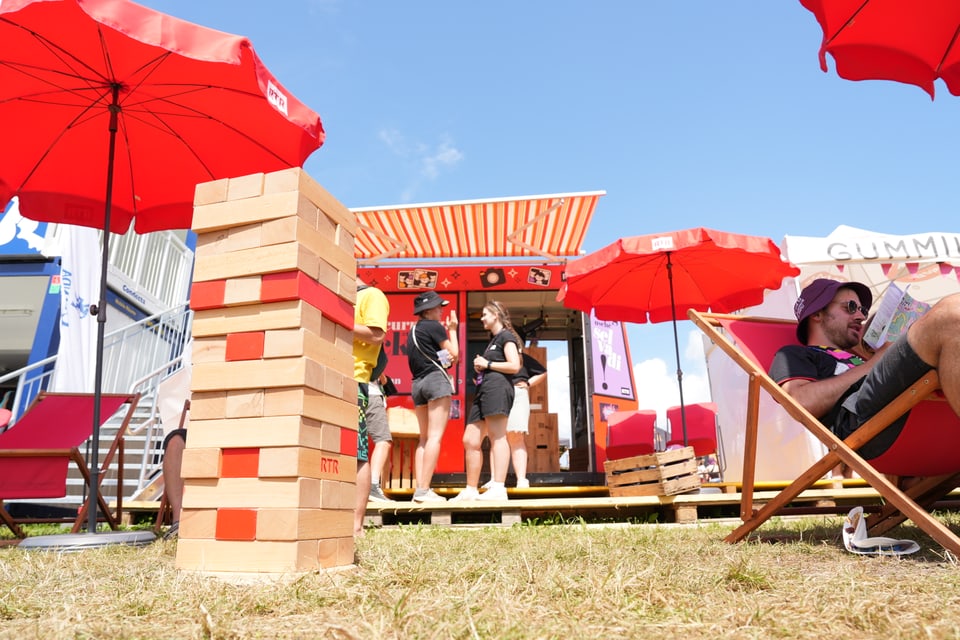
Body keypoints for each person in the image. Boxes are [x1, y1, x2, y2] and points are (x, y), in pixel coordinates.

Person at [769, 278, 960, 462]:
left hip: (916, 420)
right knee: (949, 311)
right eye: (850, 307)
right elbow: (802, 402)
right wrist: (874, 364)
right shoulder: (794, 355)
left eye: (863, 310)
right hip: (859, 428)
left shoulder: (861, 355)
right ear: (817, 314)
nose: (860, 316)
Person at [451, 300, 522, 502]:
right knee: (470, 439)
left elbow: (515, 366)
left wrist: (487, 363)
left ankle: (499, 487)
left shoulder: (507, 337)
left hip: (498, 389)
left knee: (497, 436)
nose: (481, 318)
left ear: (496, 315)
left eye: (484, 314)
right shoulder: (494, 339)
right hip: (485, 391)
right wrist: (483, 368)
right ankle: (471, 489)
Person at [407, 290, 459, 503]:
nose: (442, 310)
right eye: (439, 307)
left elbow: (441, 358)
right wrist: (453, 330)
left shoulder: (413, 330)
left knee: (424, 438)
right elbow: (454, 354)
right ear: (428, 310)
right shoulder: (434, 327)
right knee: (435, 436)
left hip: (417, 384)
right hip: (435, 381)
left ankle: (419, 489)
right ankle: (424, 490)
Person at [353, 280, 390, 536]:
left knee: (357, 452)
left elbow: (377, 334)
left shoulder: (371, 294)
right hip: (327, 373)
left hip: (354, 379)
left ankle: (356, 526)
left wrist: (337, 319)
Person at [482, 347, 547, 489]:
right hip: (496, 393)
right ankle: (495, 480)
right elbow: (478, 378)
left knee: (516, 436)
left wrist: (528, 384)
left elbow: (542, 372)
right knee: (496, 438)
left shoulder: (521, 356)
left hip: (517, 393)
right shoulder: (492, 356)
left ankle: (522, 480)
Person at [366, 372, 393, 502]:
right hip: (371, 393)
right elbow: (377, 370)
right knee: (383, 441)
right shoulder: (373, 353)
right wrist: (383, 377)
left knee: (357, 443)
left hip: (354, 392)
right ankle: (372, 485)